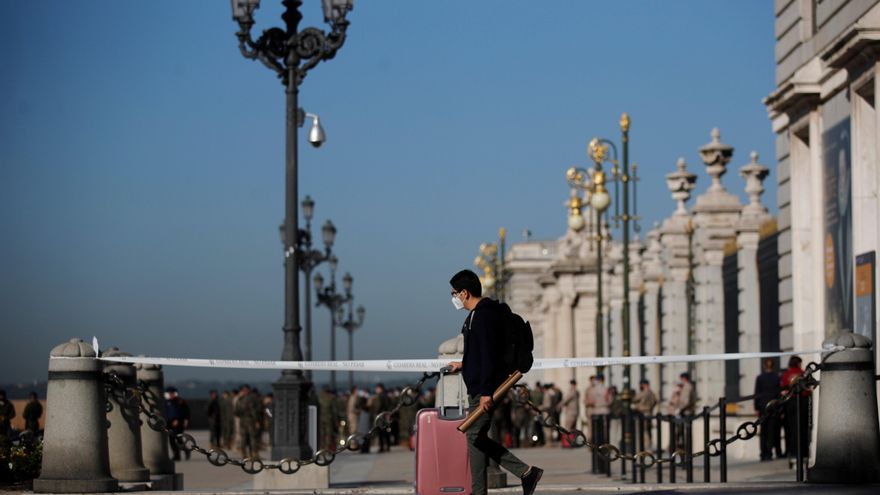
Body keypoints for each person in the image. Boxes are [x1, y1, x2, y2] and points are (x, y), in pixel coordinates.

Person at [446, 269, 542, 495]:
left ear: (465, 293)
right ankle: (483, 489)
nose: (453, 298)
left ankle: (524, 473)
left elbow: (489, 354)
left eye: (454, 293)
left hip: (485, 388)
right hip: (480, 385)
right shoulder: (477, 315)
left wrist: (487, 391)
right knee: (475, 437)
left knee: (473, 435)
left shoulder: (483, 315)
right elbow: (480, 353)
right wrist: (463, 364)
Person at [781, 356, 810, 469]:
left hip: (790, 403)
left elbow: (783, 390)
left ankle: (793, 454)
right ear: (798, 364)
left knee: (792, 430)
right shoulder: (802, 374)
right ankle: (804, 454)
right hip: (802, 402)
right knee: (803, 429)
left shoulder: (786, 375)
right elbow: (807, 390)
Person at [754, 358, 783, 461]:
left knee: (763, 431)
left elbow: (757, 393)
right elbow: (779, 394)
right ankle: (769, 453)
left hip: (762, 406)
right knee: (772, 431)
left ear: (764, 366)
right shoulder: (777, 377)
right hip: (774, 406)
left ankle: (763, 453)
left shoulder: (760, 378)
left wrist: (756, 407)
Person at [234, 385, 262, 460]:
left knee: (244, 438)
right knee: (252, 437)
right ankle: (254, 454)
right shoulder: (253, 398)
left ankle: (244, 454)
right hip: (250, 421)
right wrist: (257, 421)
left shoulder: (240, 399)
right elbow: (255, 411)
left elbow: (236, 412)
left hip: (242, 421)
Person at [164, 387, 191, 461]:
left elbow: (184, 412)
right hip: (169, 423)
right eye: (169, 393)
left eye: (171, 393)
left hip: (178, 423)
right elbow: (166, 413)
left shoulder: (180, 401)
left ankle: (186, 451)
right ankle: (176, 455)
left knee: (179, 439)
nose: (170, 395)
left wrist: (180, 420)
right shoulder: (167, 402)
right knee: (171, 440)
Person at [633, 379, 657, 446]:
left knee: (644, 430)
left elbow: (635, 399)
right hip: (649, 413)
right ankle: (649, 444)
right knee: (648, 430)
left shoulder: (643, 393)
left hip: (642, 413)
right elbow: (655, 402)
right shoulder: (652, 393)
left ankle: (645, 446)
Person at [319, 386, 339, 451]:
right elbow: (334, 411)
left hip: (321, 417)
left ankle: (322, 447)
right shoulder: (331, 397)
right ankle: (327, 448)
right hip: (328, 418)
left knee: (322, 433)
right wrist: (336, 422)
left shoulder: (319, 397)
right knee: (328, 433)